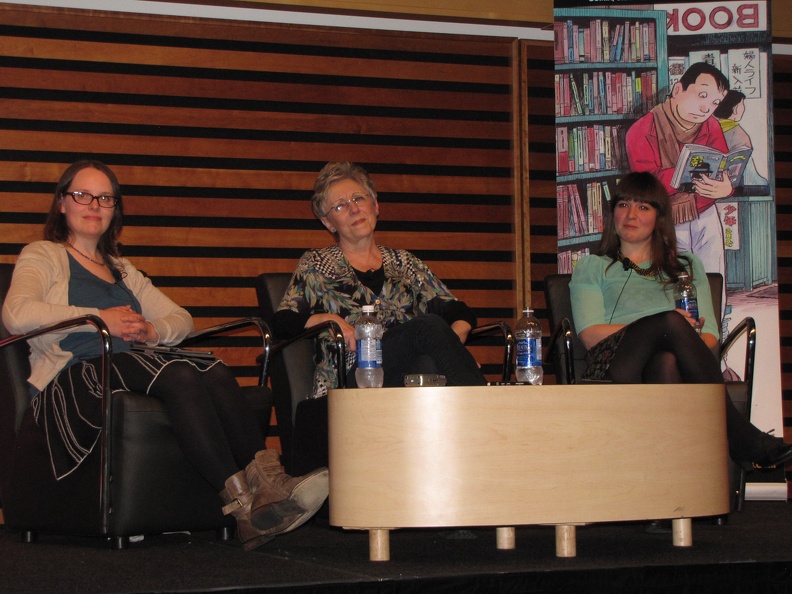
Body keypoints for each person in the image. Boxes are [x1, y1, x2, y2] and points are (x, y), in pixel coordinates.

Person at [1, 160, 329, 551]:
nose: (93, 204)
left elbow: (183, 320)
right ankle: (244, 506)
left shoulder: (122, 270)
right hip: (74, 377)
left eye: (105, 198)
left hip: (130, 367)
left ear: (114, 209)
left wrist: (153, 330)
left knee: (216, 371)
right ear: (62, 204)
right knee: (179, 374)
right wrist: (99, 320)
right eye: (81, 195)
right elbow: (16, 314)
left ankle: (272, 486)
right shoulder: (43, 254)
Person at [569, 171, 792, 471]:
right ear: (613, 213)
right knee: (670, 323)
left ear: (659, 218)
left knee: (667, 362)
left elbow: (710, 336)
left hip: (670, 365)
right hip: (613, 365)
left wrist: (671, 334)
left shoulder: (687, 266)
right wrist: (658, 325)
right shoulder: (592, 266)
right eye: (624, 205)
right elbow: (590, 334)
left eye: (643, 207)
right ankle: (742, 438)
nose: (631, 214)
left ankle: (664, 497)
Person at [272, 161, 486, 396]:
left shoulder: (405, 264)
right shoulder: (318, 264)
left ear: (375, 205)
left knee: (427, 360)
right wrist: (329, 318)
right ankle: (483, 409)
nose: (354, 209)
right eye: (340, 206)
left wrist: (449, 348)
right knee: (428, 327)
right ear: (328, 223)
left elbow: (460, 313)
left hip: (408, 376)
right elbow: (281, 322)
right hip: (350, 380)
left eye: (358, 199)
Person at [626, 62, 732, 313]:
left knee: (714, 278)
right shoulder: (642, 130)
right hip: (664, 219)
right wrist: (684, 176)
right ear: (678, 90)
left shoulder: (712, 125)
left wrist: (726, 188)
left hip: (705, 211)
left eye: (715, 102)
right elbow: (645, 185)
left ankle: (716, 336)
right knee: (675, 286)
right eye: (702, 95)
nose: (707, 107)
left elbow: (724, 166)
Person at [713, 89, 769, 190]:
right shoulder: (740, 135)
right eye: (742, 104)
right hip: (737, 185)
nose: (744, 108)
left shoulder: (708, 129)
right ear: (735, 109)